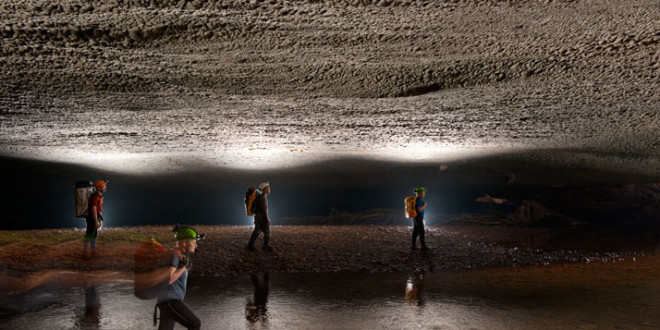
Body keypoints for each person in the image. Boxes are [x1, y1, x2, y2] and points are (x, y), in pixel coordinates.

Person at [155, 225, 204, 330]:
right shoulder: (174, 255)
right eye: (194, 241)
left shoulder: (178, 256)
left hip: (166, 301)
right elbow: (167, 280)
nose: (196, 245)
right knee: (195, 324)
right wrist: (183, 268)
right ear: (185, 243)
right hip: (170, 301)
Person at [247, 182, 273, 252]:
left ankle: (250, 246)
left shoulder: (260, 197)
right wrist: (267, 219)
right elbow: (264, 210)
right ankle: (265, 247)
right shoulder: (263, 198)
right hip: (261, 219)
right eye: (268, 188)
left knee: (257, 232)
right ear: (264, 189)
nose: (269, 189)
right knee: (267, 232)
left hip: (258, 218)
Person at [84, 180, 107, 257]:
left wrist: (98, 218)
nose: (105, 188)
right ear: (98, 188)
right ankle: (85, 253)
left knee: (93, 234)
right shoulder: (95, 197)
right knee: (90, 234)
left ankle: (93, 251)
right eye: (104, 186)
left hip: (95, 217)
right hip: (92, 218)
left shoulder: (97, 196)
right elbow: (93, 208)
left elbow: (96, 209)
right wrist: (95, 220)